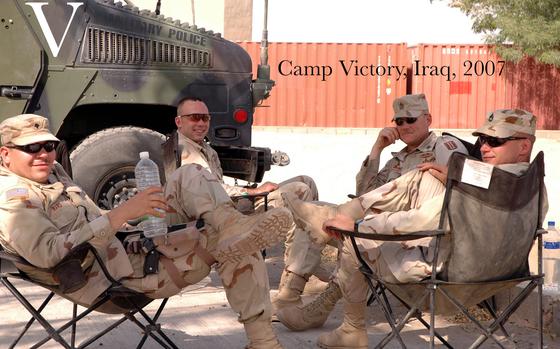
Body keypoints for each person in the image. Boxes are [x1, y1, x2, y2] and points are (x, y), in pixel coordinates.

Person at [0, 114, 294, 348]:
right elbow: (48, 254)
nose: (43, 154)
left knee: (189, 175)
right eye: (30, 148)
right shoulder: (14, 199)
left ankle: (233, 221)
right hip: (115, 277)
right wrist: (119, 215)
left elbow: (89, 217)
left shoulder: (51, 176)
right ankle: (263, 342)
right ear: (5, 154)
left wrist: (132, 216)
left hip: (128, 245)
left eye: (48, 146)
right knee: (230, 241)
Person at [282, 109, 546, 348]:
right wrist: (453, 178)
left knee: (356, 242)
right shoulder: (531, 186)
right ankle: (332, 218)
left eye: (495, 141)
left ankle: (351, 329)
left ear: (524, 146)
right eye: (481, 141)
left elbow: (422, 220)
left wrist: (359, 226)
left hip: (448, 279)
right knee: (424, 175)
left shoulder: (482, 185)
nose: (485, 147)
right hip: (502, 274)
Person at [275, 93, 468, 327]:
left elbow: (459, 187)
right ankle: (288, 297)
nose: (404, 126)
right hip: (376, 227)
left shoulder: (445, 146)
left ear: (428, 119)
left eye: (410, 119)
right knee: (316, 216)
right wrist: (377, 149)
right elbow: (365, 195)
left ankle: (318, 309)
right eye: (399, 122)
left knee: (325, 223)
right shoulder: (397, 159)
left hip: (413, 232)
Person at [173, 96, 322, 312]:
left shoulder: (202, 147)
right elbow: (214, 193)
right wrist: (253, 191)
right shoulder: (186, 151)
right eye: (194, 118)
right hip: (224, 217)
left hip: (233, 205)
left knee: (306, 181)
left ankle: (306, 267)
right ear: (179, 122)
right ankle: (293, 283)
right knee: (300, 193)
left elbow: (216, 186)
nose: (201, 123)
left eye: (205, 118)